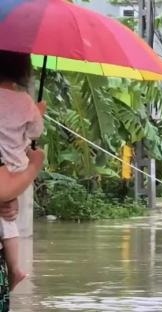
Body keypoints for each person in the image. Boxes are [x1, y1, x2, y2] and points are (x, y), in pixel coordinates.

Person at [0, 50, 46, 291]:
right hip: (16, 165)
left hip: (4, 171)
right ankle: (15, 267)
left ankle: (14, 269)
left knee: (6, 213)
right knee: (8, 219)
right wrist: (38, 112)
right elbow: (35, 132)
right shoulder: (25, 101)